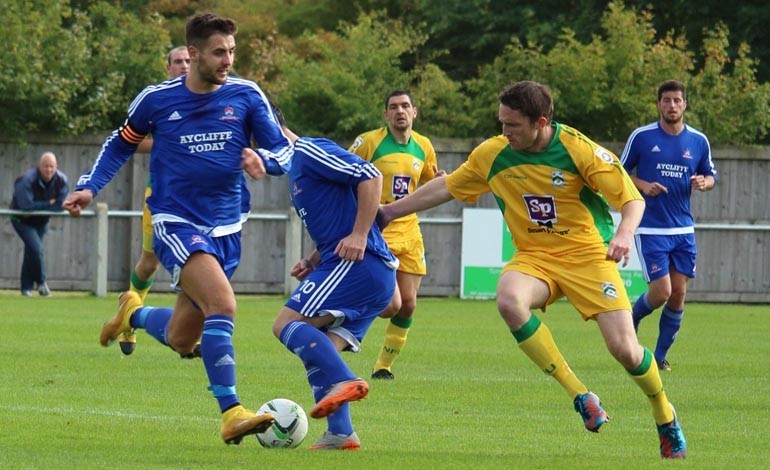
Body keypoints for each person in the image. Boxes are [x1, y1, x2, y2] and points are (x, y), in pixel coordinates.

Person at [376, 81, 687, 459]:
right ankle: (580, 395)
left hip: (588, 255)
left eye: (513, 126)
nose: (504, 132)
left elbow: (631, 199)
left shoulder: (579, 150)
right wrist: (389, 212)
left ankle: (664, 413)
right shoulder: (493, 153)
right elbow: (446, 188)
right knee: (509, 299)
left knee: (624, 349)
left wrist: (623, 234)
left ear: (541, 122)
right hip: (535, 257)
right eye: (502, 123)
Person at [63, 12, 294, 445]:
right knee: (223, 306)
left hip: (228, 227)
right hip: (175, 220)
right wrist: (89, 187)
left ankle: (131, 313)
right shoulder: (156, 100)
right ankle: (231, 412)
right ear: (192, 54)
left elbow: (284, 148)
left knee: (182, 338)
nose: (228, 60)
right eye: (219, 52)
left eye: (232, 51)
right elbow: (120, 143)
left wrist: (269, 162)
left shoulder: (246, 95)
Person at [271, 108, 397, 450]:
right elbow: (338, 214)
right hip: (358, 268)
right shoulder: (295, 170)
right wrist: (313, 259)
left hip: (358, 265)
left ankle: (346, 380)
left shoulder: (308, 150)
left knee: (286, 324)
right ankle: (340, 433)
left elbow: (370, 175)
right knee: (319, 346)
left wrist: (358, 236)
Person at [620, 80, 716, 372]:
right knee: (661, 291)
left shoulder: (698, 141)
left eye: (677, 100)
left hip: (683, 229)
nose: (672, 105)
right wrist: (643, 185)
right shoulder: (642, 137)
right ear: (658, 104)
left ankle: (659, 357)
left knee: (678, 293)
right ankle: (631, 320)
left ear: (685, 104)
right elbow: (618, 172)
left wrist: (704, 182)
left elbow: (710, 175)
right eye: (666, 101)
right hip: (650, 227)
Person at [349, 90, 442, 380]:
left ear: (415, 112)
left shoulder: (424, 146)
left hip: (409, 230)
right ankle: (345, 323)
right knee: (391, 305)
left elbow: (427, 184)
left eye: (405, 106)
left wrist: (438, 182)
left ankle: (383, 367)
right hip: (378, 228)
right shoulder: (368, 142)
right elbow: (342, 174)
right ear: (386, 115)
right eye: (393, 107)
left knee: (409, 304)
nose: (399, 111)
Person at [118, 45, 191, 355]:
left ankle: (189, 331)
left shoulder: (217, 95)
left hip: (203, 198)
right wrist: (165, 142)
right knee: (149, 263)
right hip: (160, 193)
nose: (184, 65)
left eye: (189, 60)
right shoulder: (158, 100)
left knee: (199, 261)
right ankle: (130, 315)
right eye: (178, 61)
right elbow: (128, 142)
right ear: (168, 67)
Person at [9, 152, 69, 297]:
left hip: (41, 220)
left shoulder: (62, 180)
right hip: (21, 219)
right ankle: (42, 283)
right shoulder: (26, 180)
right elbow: (26, 207)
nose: (49, 170)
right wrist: (49, 203)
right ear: (39, 167)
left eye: (52, 166)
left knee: (32, 251)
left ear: (56, 167)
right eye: (46, 166)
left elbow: (61, 205)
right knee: (36, 249)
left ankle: (26, 289)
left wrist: (44, 206)